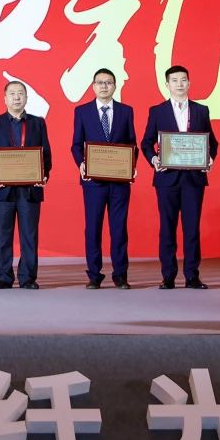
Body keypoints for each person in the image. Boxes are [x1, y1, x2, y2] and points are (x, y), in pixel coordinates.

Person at [140, 65, 219, 290]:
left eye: (183, 79)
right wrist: (153, 159)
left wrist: (209, 158)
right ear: (167, 84)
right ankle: (168, 276)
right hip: (167, 178)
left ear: (189, 83)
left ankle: (192, 276)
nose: (180, 84)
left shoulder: (201, 110)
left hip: (194, 179)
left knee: (192, 229)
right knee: (167, 228)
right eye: (174, 80)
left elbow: (212, 142)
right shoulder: (157, 111)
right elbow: (146, 142)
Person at [71, 68, 138, 289]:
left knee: (119, 229)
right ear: (93, 86)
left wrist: (131, 165)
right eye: (100, 82)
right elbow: (76, 145)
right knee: (93, 228)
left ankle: (121, 275)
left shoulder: (126, 111)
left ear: (115, 86)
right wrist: (81, 163)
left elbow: (132, 144)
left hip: (119, 182)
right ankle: (94, 275)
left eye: (108, 82)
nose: (104, 86)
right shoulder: (82, 111)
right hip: (93, 182)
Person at [0, 80, 52, 290]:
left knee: (29, 235)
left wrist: (43, 174)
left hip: (30, 189)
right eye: (12, 93)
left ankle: (27, 277)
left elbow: (46, 153)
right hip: (2, 189)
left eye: (20, 93)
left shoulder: (38, 123)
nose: (16, 97)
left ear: (26, 98)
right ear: (5, 98)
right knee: (2, 235)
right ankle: (3, 277)